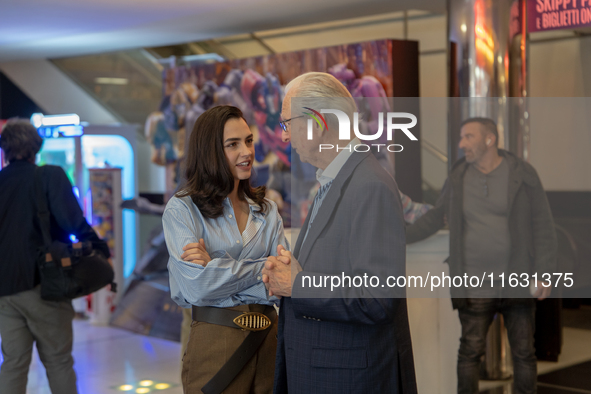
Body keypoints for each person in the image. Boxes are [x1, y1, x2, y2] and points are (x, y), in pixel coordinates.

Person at [262, 72, 417, 393]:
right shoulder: (336, 182)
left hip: (348, 379)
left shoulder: (369, 185)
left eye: (287, 123)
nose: (285, 137)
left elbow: (376, 297)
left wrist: (298, 284)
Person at [406, 117, 557, 394]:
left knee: (524, 353)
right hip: (473, 282)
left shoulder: (523, 174)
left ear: (490, 140)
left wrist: (545, 272)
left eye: (468, 137)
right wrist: (398, 237)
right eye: (461, 137)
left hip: (517, 281)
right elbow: (435, 217)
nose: (462, 144)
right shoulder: (458, 176)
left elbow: (543, 226)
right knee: (470, 352)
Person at [162, 105, 288, 394]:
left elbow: (282, 282)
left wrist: (216, 264)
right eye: (233, 144)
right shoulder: (182, 210)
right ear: (210, 151)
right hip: (215, 343)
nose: (246, 151)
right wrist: (262, 267)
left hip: (270, 340)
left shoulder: (266, 210)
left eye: (248, 140)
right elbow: (198, 287)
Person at [0, 119, 109, 394]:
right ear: (36, 148)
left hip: (4, 289)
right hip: (43, 282)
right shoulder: (48, 176)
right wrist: (99, 247)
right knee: (58, 360)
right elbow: (73, 221)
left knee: (13, 363)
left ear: (5, 150)